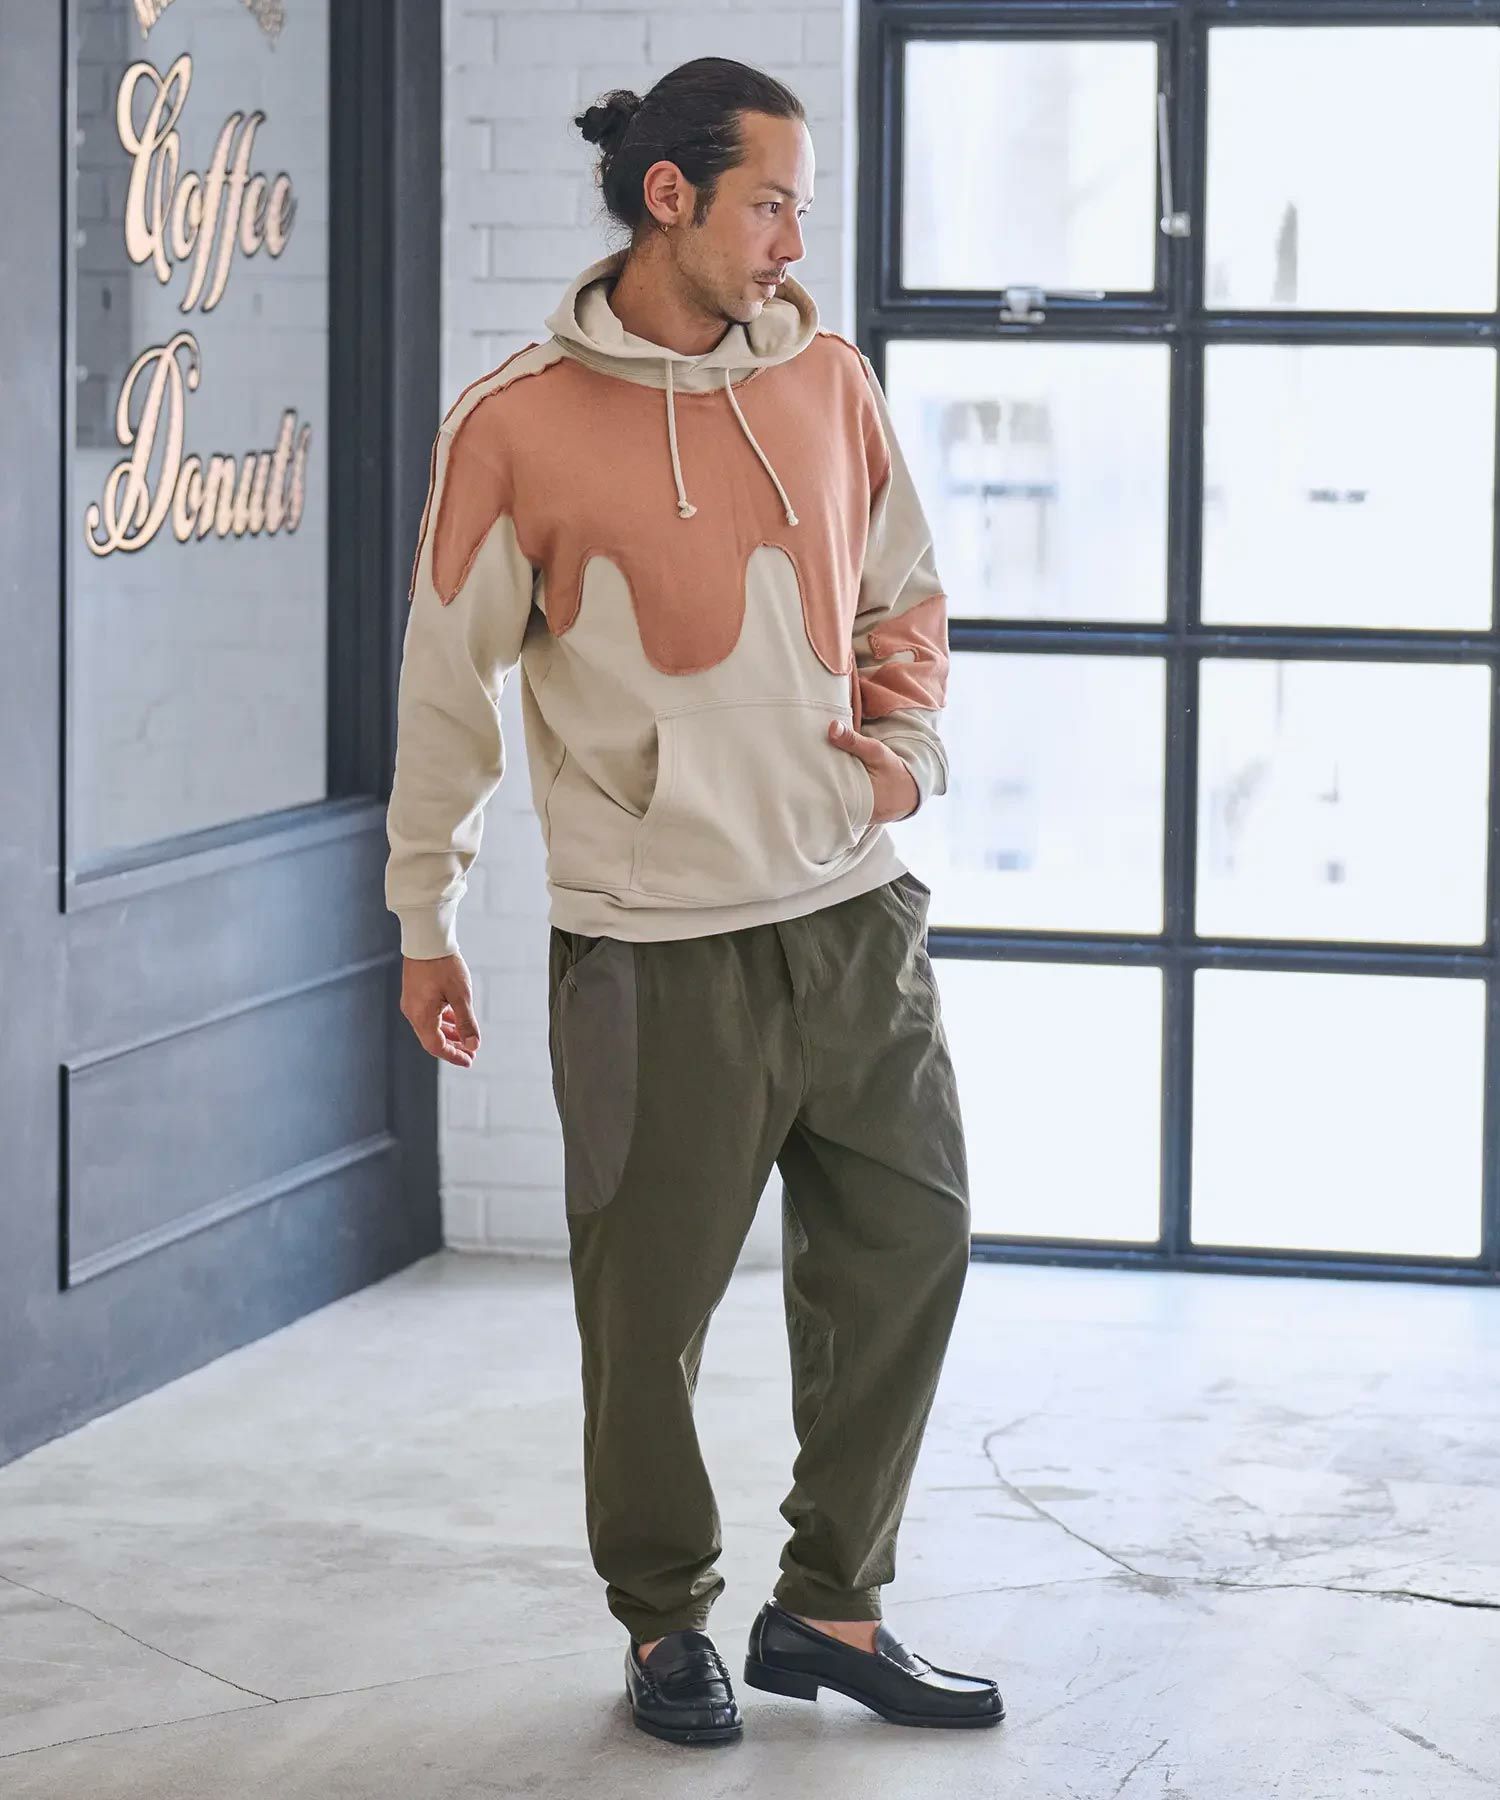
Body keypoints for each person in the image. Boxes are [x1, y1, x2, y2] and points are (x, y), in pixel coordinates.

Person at [384, 55, 1003, 1747]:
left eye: (803, 205)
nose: (796, 240)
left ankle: (833, 1605)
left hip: (853, 913)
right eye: (770, 204)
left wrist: (901, 760)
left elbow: (906, 593)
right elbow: (448, 688)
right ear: (672, 198)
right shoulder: (515, 426)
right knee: (644, 1314)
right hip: (649, 951)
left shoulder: (830, 382)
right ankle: (667, 1622)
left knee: (912, 1243)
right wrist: (426, 918)